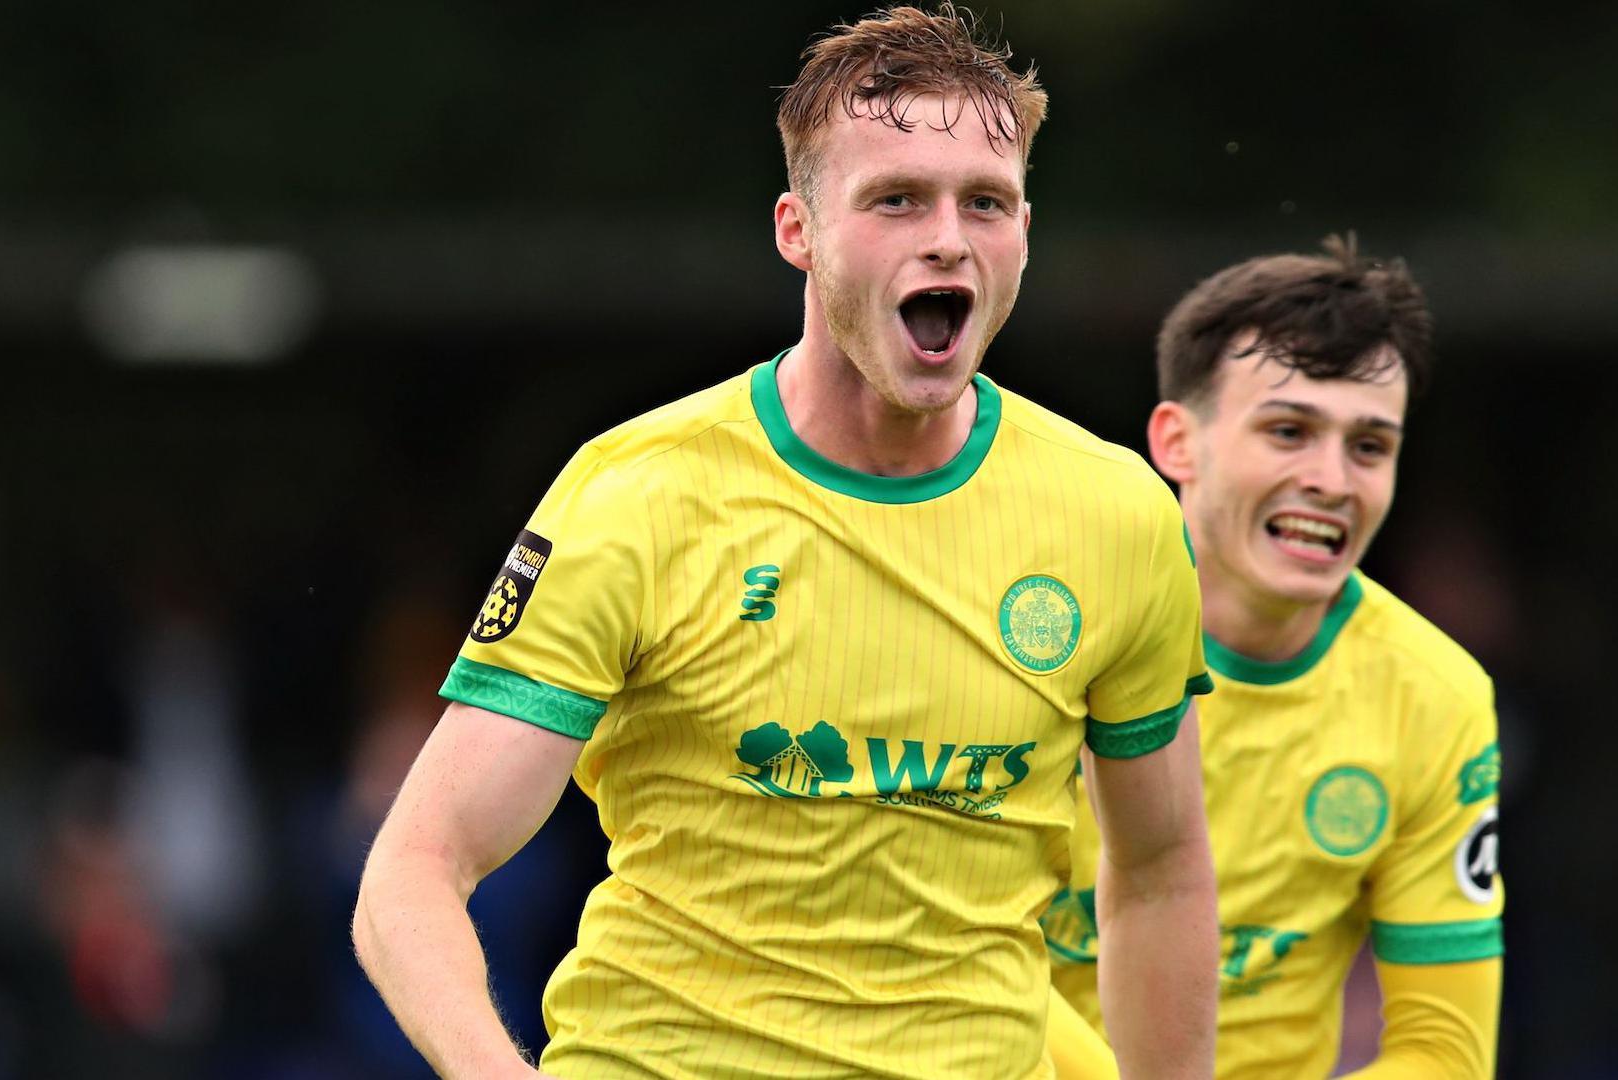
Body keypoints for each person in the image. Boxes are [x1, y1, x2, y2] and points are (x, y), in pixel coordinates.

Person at [350, 6, 1220, 1078]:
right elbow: (416, 868)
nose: (948, 236)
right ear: (797, 231)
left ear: (1024, 234)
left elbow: (1164, 868)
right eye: (897, 198)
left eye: (985, 202)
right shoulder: (639, 494)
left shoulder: (1118, 513)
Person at [1046, 236, 1504, 1078]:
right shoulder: (1045, 636)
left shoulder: (1438, 696)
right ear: (1177, 442)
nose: (1332, 478)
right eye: (1289, 431)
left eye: (1369, 446)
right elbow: (958, 952)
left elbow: (1445, 1050)